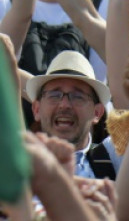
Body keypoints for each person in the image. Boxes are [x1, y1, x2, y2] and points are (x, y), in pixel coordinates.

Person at [24, 50, 113, 179]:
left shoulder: (114, 160)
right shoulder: (17, 166)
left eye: (77, 96)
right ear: (36, 109)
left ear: (97, 113)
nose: (64, 104)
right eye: (54, 95)